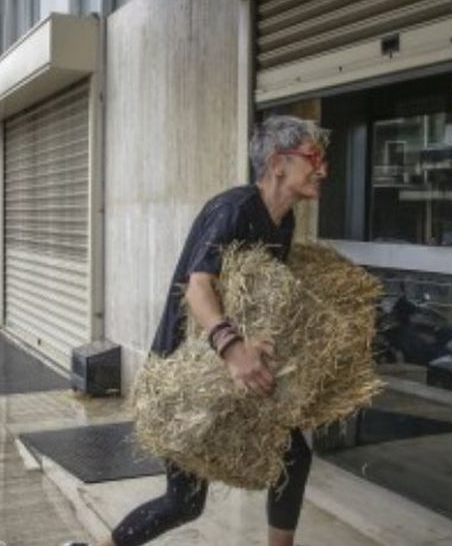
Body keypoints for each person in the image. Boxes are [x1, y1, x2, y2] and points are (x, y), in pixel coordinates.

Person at [68, 115, 329, 546]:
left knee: (294, 456)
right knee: (184, 501)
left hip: (232, 370)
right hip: (186, 372)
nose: (323, 169)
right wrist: (234, 350)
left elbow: (260, 295)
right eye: (313, 157)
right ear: (278, 163)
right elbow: (198, 286)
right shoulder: (234, 209)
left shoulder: (283, 223)